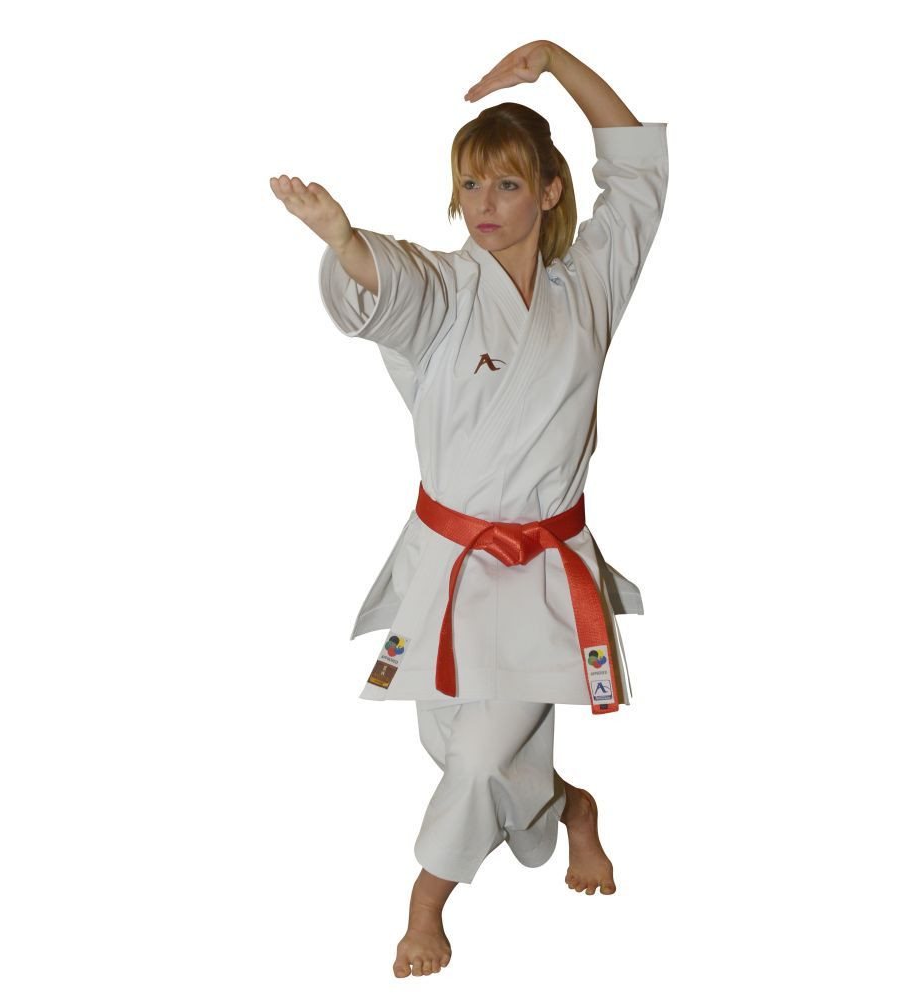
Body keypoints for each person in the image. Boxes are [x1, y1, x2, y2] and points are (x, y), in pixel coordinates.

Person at [270, 39, 668, 978]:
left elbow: (638, 174)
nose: (483, 204)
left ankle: (426, 904)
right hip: (446, 565)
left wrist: (558, 62)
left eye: (507, 184)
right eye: (470, 184)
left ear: (550, 193)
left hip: (543, 576)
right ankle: (571, 807)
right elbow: (394, 282)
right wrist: (345, 242)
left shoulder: (590, 286)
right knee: (450, 744)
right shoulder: (448, 289)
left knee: (483, 759)